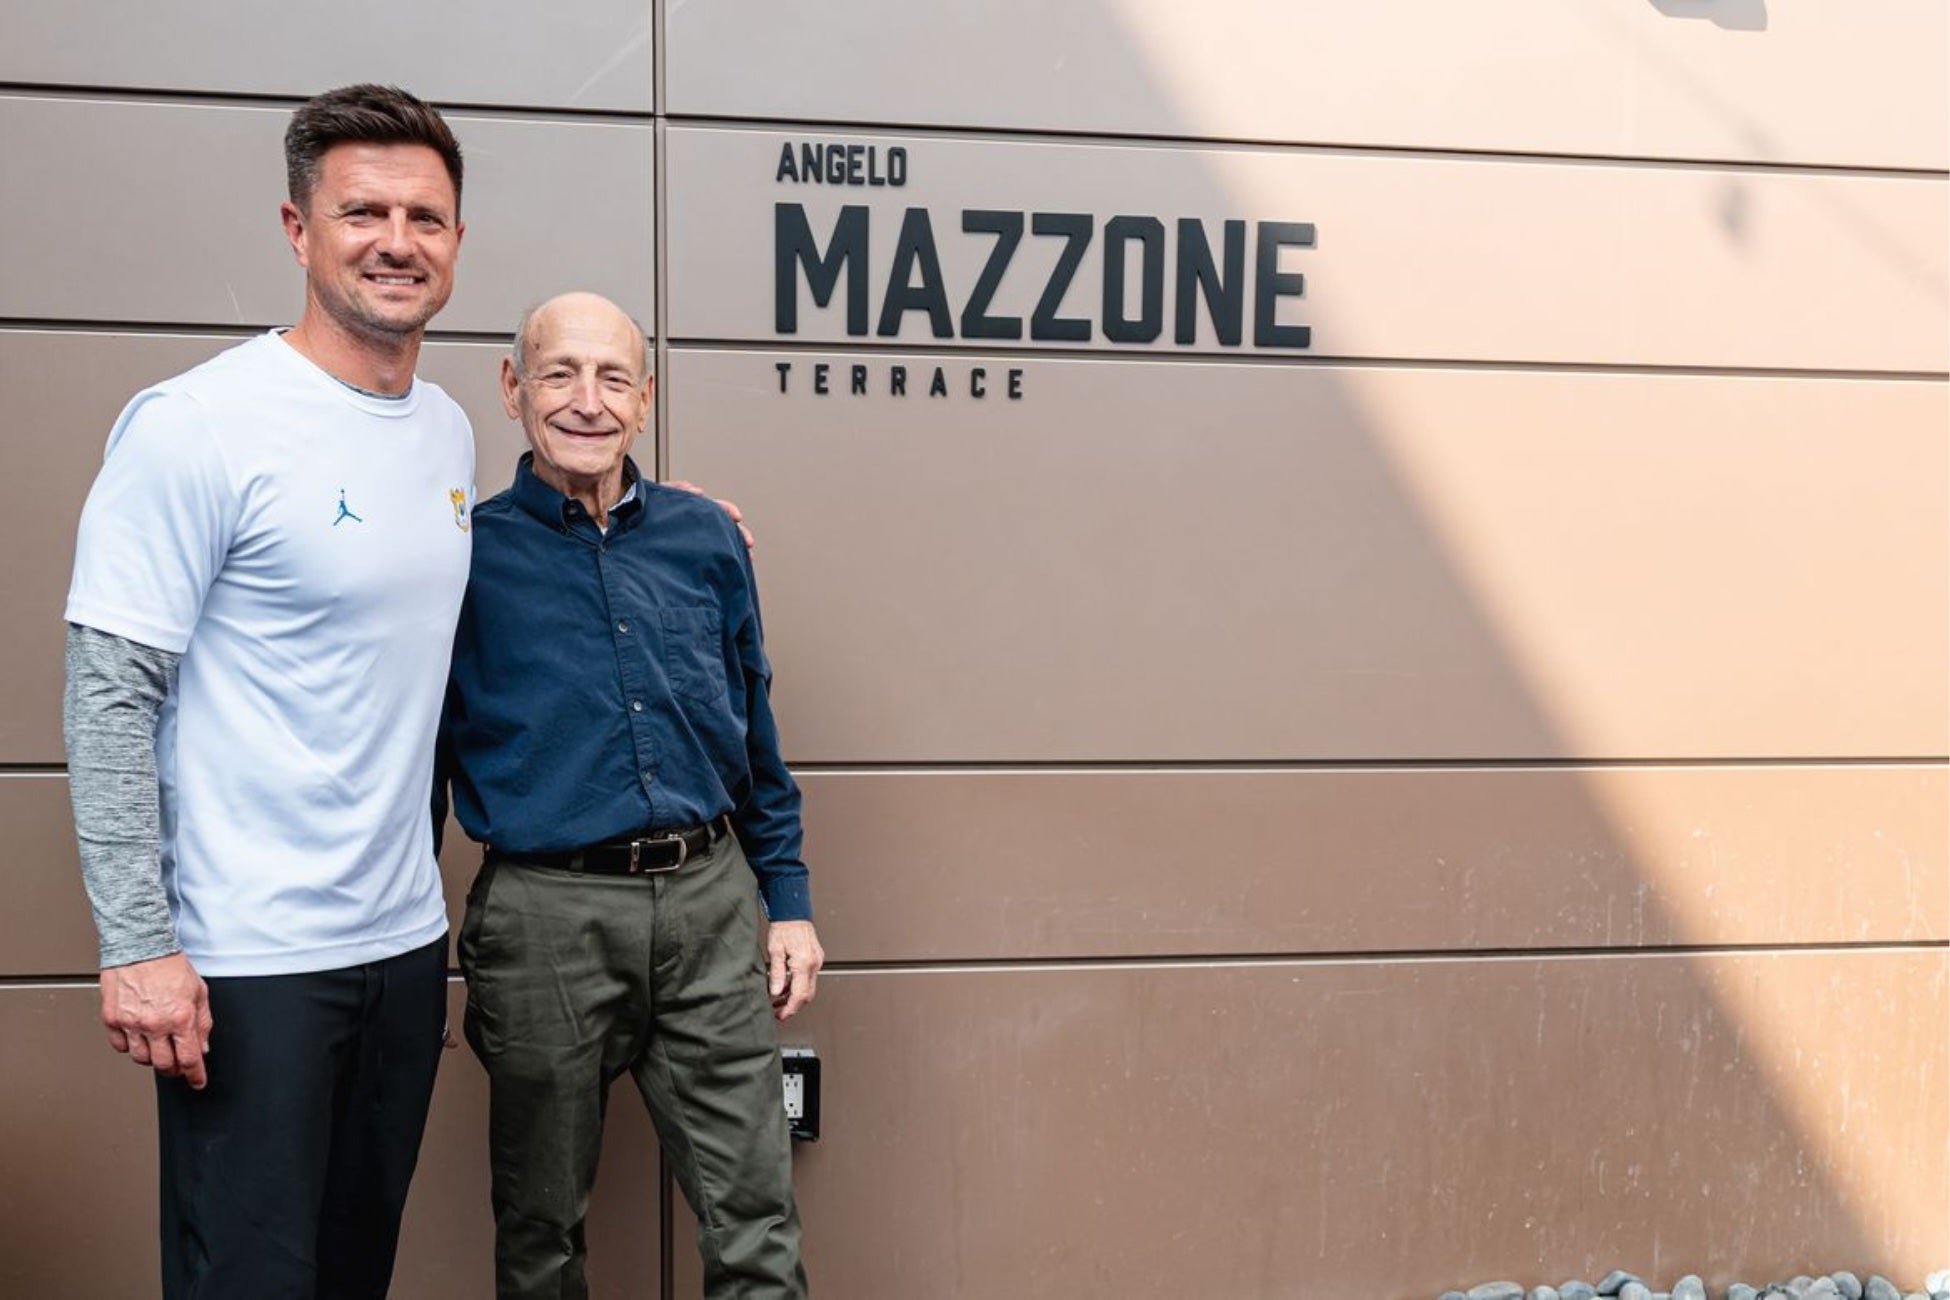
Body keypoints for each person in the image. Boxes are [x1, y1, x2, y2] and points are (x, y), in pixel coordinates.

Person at [437, 291, 823, 1300]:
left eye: (614, 377)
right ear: (515, 389)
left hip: (709, 903)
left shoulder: (706, 540)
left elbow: (755, 733)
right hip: (545, 918)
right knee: (540, 1228)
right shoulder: (460, 557)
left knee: (757, 1219)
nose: (587, 400)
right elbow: (418, 761)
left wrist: (787, 899)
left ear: (644, 401)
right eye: (560, 372)